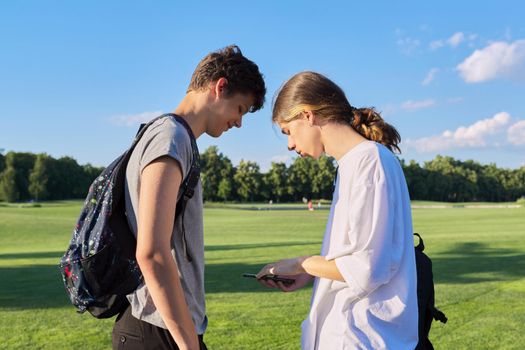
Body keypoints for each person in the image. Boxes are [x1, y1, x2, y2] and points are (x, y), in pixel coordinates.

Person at [112, 45, 266, 350]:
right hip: (157, 330)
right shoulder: (171, 138)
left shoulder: (167, 136)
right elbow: (153, 252)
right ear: (220, 87)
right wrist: (188, 345)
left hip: (162, 326)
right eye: (240, 110)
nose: (239, 122)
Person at [256, 71, 418, 349]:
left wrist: (300, 263)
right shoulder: (352, 164)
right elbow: (357, 257)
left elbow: (367, 269)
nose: (290, 144)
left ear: (308, 116)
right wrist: (311, 273)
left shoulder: (369, 161)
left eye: (288, 131)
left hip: (362, 335)